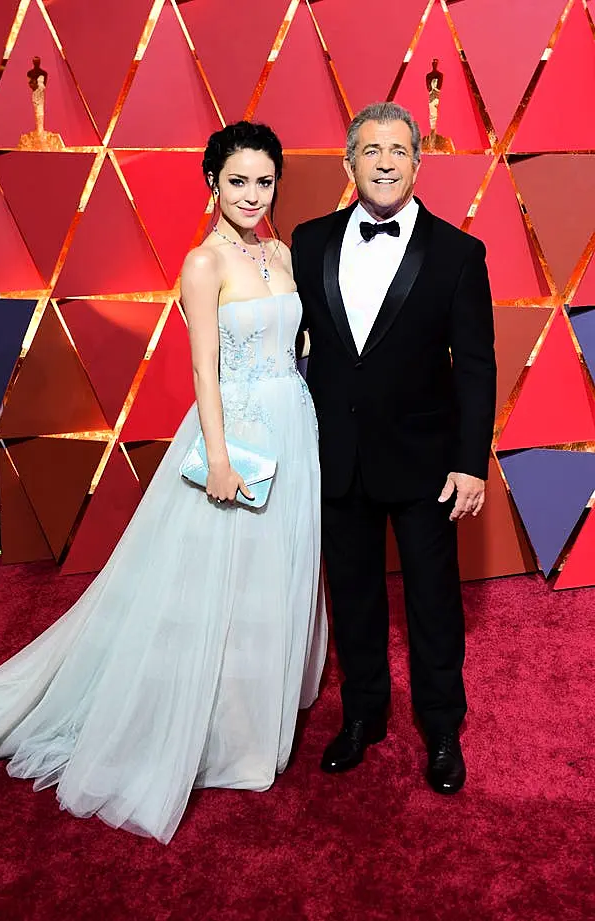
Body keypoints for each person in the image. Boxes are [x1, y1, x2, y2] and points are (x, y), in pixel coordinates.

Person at [0, 121, 327, 842]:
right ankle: (215, 724)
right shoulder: (203, 263)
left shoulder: (283, 253)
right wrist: (218, 457)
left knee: (269, 575)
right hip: (239, 434)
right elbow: (203, 369)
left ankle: (256, 712)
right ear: (212, 183)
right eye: (238, 181)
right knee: (217, 577)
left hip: (293, 425)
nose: (252, 194)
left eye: (264, 181)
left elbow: (294, 340)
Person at [291, 101, 496, 794]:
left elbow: (475, 364)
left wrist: (471, 461)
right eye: (370, 149)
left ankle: (442, 728)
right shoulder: (307, 240)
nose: (384, 161)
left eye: (397, 149)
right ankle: (363, 717)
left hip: (426, 464)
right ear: (349, 163)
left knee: (434, 602)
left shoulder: (460, 254)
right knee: (352, 596)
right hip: (337, 455)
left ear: (418, 161)